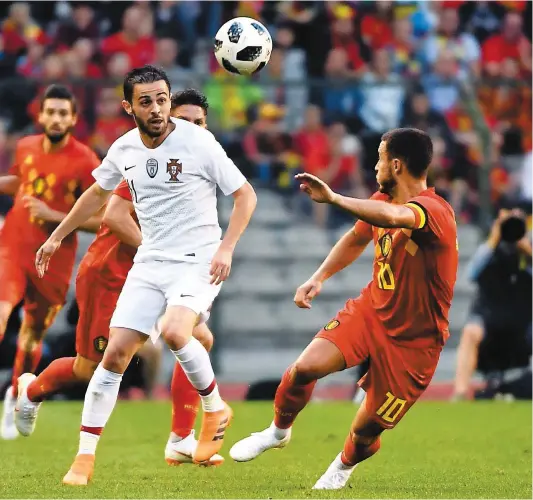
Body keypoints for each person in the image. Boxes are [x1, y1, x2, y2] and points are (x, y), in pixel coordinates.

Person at [27, 66, 257, 485]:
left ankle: (214, 407)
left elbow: (245, 195)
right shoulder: (125, 149)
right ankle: (84, 458)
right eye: (146, 101)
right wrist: (57, 236)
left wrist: (227, 247)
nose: (156, 108)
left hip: (197, 258)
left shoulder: (198, 141)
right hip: (150, 261)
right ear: (128, 106)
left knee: (176, 332)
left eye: (162, 99)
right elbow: (97, 194)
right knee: (113, 356)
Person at [230, 128, 458, 490]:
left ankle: (343, 464)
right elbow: (356, 237)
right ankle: (277, 431)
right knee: (305, 368)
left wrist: (334, 198)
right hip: (372, 311)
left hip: (415, 342)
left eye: (380, 158)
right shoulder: (381, 200)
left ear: (396, 165)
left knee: (366, 432)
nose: (375, 165)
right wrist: (318, 277)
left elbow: (395, 218)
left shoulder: (433, 212)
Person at [0, 84, 102, 440]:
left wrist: (52, 214)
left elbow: (103, 217)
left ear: (73, 118)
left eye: (64, 113)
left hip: (52, 260)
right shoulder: (26, 146)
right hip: (12, 247)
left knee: (31, 337)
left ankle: (16, 395)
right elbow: (21, 182)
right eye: (51, 112)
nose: (56, 118)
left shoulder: (86, 160)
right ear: (40, 114)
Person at [452, 206, 532, 400]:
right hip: (488, 320)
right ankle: (460, 392)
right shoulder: (488, 250)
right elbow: (470, 274)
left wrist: (527, 250)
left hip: (522, 324)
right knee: (471, 331)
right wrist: (494, 238)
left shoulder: (527, 254)